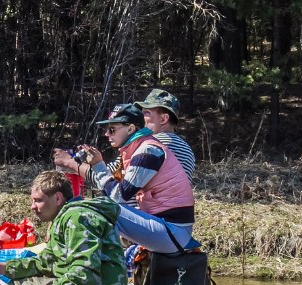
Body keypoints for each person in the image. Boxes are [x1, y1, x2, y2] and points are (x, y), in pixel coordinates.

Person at [54, 102, 196, 255]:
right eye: (106, 130)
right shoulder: (139, 148)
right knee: (95, 207)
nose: (107, 134)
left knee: (102, 207)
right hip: (165, 227)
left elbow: (117, 197)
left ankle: (81, 259)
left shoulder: (148, 151)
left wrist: (99, 165)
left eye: (112, 129)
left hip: (172, 232)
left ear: (131, 128)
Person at [137, 88, 196, 181]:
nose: (141, 117)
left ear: (163, 119)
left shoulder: (152, 144)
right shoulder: (186, 149)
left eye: (146, 113)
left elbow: (127, 185)